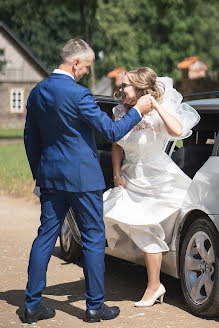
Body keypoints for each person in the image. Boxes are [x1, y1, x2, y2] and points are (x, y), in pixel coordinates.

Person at [23, 39, 152, 324]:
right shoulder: (80, 95)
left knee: (45, 236)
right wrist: (137, 110)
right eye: (87, 67)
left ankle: (31, 305)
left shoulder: (37, 92)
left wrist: (40, 175)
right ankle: (94, 307)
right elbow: (111, 131)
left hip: (50, 179)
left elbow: (30, 137)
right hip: (84, 180)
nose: (86, 72)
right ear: (76, 63)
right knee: (94, 239)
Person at [103, 67, 200, 307]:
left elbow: (177, 131)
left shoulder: (157, 112)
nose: (121, 89)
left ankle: (154, 286)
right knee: (109, 214)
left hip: (159, 178)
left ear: (139, 89)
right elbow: (117, 144)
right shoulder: (119, 111)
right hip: (129, 177)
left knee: (146, 227)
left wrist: (156, 107)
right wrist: (116, 174)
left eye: (126, 85)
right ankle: (154, 283)